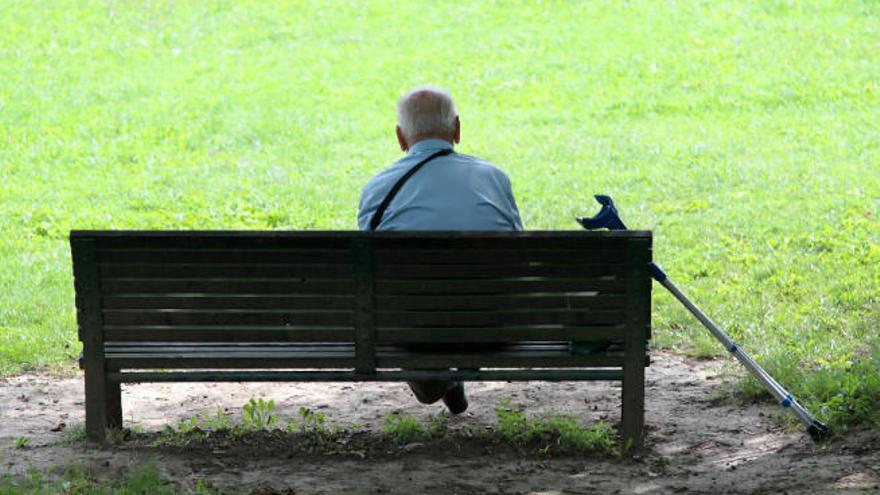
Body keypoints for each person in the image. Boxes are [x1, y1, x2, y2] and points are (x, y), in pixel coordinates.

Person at [357, 85, 524, 414]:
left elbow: (371, 273)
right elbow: (517, 253)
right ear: (457, 129)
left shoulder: (377, 189)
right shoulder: (494, 179)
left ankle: (437, 380)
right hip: (491, 325)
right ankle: (444, 382)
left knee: (401, 306)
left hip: (413, 330)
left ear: (401, 138)